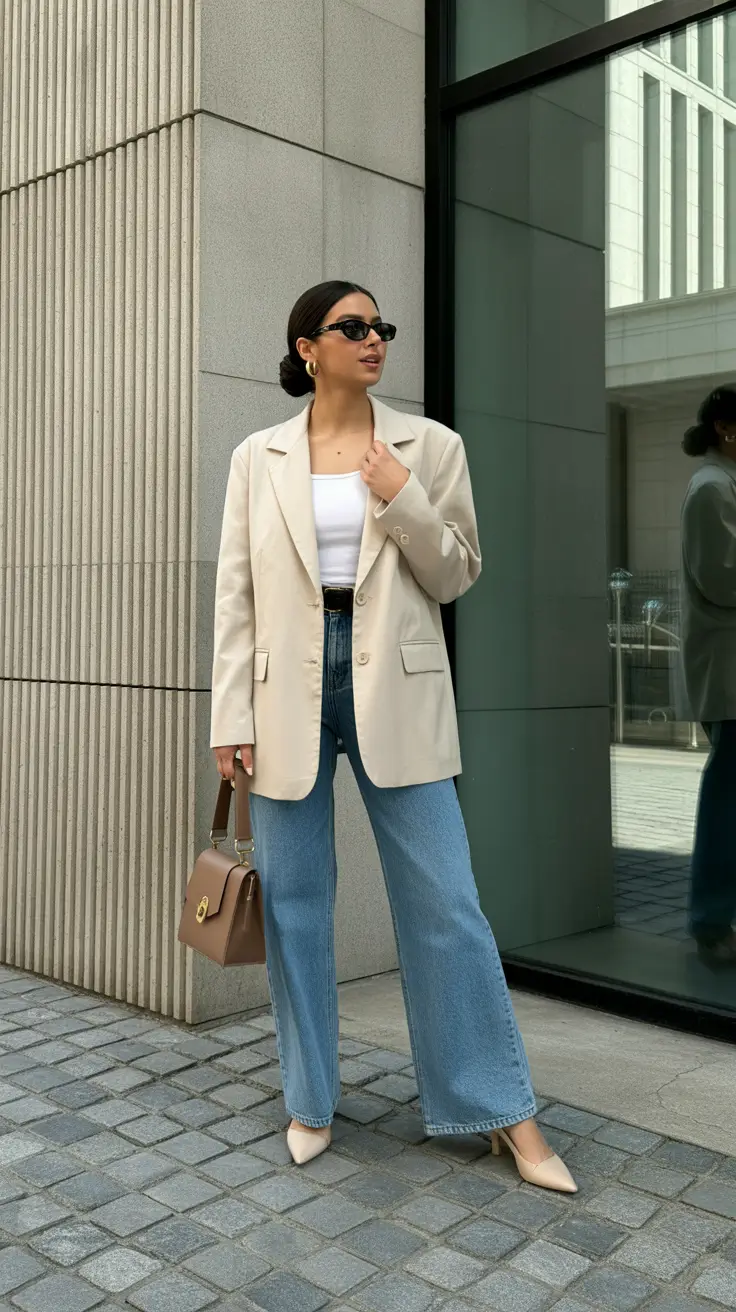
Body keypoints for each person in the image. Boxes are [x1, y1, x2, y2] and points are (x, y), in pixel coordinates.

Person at [209, 279, 576, 1191]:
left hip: (396, 688)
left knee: (447, 905)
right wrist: (229, 718)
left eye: (381, 328)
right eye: (353, 327)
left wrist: (403, 493)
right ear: (308, 349)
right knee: (295, 908)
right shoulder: (258, 457)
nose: (374, 340)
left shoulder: (428, 446)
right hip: (283, 692)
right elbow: (236, 598)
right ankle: (309, 1098)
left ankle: (503, 1111)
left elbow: (456, 575)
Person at [681, 385, 736, 966]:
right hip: (729, 668)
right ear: (727, 428)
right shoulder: (712, 489)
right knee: (727, 801)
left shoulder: (724, 486)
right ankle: (711, 922)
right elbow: (722, 579)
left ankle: (717, 919)